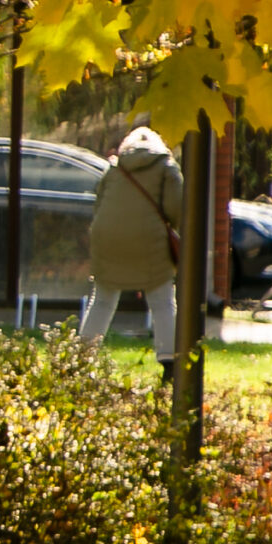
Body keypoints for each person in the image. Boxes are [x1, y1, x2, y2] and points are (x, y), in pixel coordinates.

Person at [77, 118, 183, 369]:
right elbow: (176, 208)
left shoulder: (115, 167)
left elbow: (99, 202)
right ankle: (169, 360)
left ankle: (81, 359)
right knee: (161, 300)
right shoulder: (166, 166)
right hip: (149, 239)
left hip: (108, 237)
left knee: (102, 299)